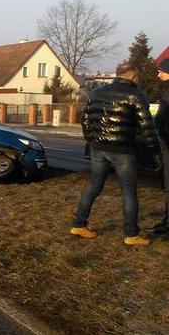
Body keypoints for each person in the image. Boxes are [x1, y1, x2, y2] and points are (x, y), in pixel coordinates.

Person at [70, 63, 162, 246]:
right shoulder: (135, 95)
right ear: (133, 76)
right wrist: (156, 155)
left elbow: (85, 119)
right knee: (128, 190)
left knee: (94, 186)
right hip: (122, 150)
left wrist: (91, 140)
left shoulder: (96, 93)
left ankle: (78, 224)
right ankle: (131, 234)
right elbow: (147, 129)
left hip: (98, 148)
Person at [152, 58, 169, 234]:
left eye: (161, 71)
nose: (158, 74)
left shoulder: (167, 95)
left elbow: (160, 122)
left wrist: (162, 139)